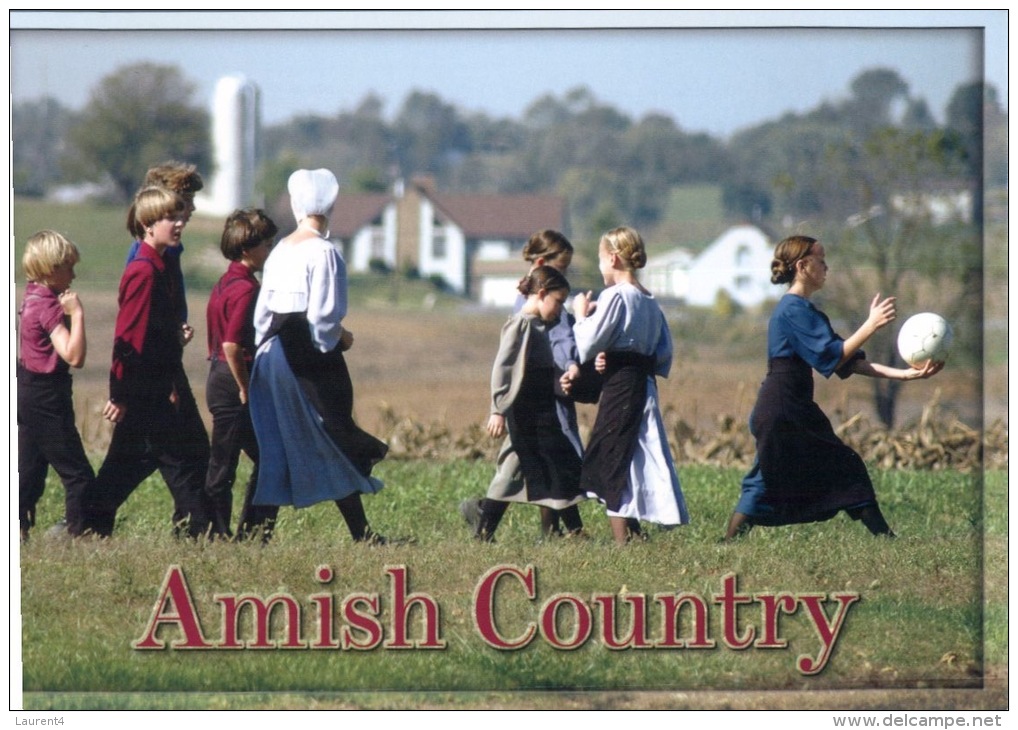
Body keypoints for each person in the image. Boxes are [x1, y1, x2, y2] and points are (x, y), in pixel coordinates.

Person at [722, 235, 943, 541]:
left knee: (765, 479)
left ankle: (729, 542)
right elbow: (833, 355)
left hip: (786, 409)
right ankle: (886, 538)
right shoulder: (792, 310)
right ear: (803, 265)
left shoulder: (803, 310)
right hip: (784, 409)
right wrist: (871, 325)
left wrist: (906, 375)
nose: (827, 267)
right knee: (845, 466)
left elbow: (847, 360)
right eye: (821, 260)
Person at [248, 168, 388, 544]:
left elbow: (263, 313)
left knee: (281, 442)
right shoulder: (324, 252)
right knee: (332, 438)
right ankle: (361, 533)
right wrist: (336, 341)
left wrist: (262, 351)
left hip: (272, 355)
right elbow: (324, 317)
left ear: (296, 205)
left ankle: (259, 533)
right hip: (306, 360)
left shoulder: (279, 251)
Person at [77, 187, 211, 538]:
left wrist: (172, 333)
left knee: (129, 464)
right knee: (179, 463)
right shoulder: (144, 271)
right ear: (148, 224)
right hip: (147, 390)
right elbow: (128, 339)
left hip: (156, 386)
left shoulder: (160, 266)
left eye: (181, 216)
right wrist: (119, 394)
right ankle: (202, 536)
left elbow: (149, 331)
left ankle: (86, 526)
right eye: (171, 217)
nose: (180, 223)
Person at [460, 230, 593, 539]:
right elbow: (503, 367)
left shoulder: (542, 321)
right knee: (532, 465)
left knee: (540, 463)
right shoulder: (520, 323)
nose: (561, 310)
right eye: (558, 302)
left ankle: (565, 531)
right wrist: (498, 409)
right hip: (525, 408)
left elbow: (560, 344)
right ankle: (489, 526)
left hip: (541, 405)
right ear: (543, 291)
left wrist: (571, 364)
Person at [572, 226, 689, 545]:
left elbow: (590, 341)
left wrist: (581, 316)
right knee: (635, 454)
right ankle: (635, 533)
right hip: (644, 385)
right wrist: (623, 355)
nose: (600, 268)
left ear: (612, 258)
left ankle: (623, 541)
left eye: (600, 260)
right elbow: (663, 352)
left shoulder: (615, 296)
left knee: (612, 455)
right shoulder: (650, 301)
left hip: (621, 389)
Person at [204, 208, 279, 541]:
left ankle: (235, 532)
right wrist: (245, 387)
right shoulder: (248, 289)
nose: (270, 251)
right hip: (233, 380)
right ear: (248, 248)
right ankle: (232, 533)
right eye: (266, 245)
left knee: (234, 460)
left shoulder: (226, 281)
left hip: (217, 375)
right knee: (232, 464)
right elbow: (233, 344)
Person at [17, 230, 94, 541]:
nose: (73, 275)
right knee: (78, 475)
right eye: (68, 268)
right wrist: (77, 314)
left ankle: (17, 527)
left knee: (30, 469)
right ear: (50, 269)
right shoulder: (48, 305)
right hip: (47, 395)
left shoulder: (31, 296)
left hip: (24, 388)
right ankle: (77, 534)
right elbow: (74, 356)